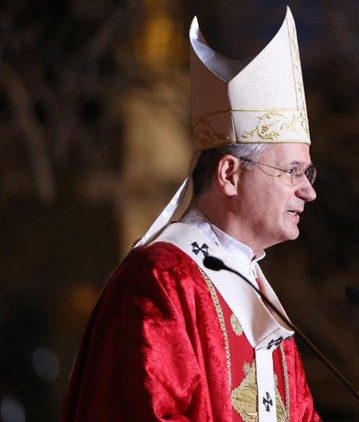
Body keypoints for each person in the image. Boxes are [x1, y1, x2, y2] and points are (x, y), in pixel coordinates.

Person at [63, 8, 322, 421]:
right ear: (230, 174)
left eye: (308, 173)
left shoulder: (259, 296)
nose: (308, 191)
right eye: (291, 172)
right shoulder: (162, 279)